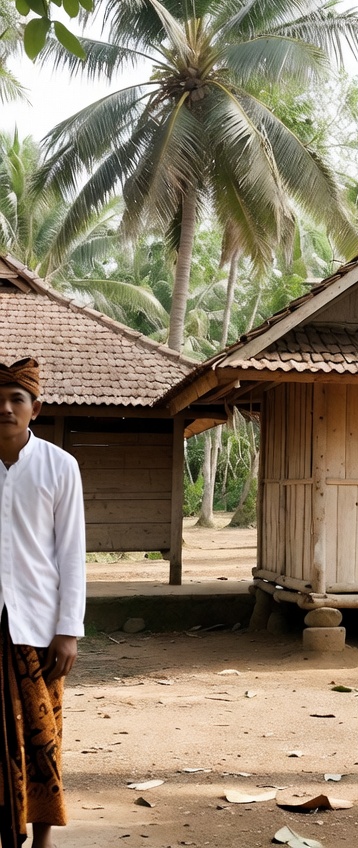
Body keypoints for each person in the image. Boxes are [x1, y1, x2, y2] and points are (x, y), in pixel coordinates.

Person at [0, 358, 85, 848]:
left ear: (35, 407)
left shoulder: (60, 466)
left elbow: (71, 551)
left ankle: (43, 836)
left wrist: (68, 629)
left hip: (38, 626)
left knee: (42, 735)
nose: (6, 409)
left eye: (17, 399)